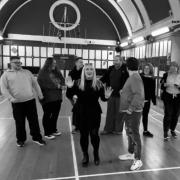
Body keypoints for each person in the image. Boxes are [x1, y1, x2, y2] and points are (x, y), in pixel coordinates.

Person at [66, 63, 112, 167]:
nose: (89, 70)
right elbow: (69, 95)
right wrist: (69, 87)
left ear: (94, 71)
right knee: (84, 135)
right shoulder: (77, 83)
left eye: (91, 69)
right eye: (87, 69)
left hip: (94, 112)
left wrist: (107, 96)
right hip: (81, 112)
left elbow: (103, 98)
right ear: (84, 71)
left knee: (94, 135)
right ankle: (85, 155)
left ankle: (96, 154)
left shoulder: (99, 83)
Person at [0, 56, 46, 147]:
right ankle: (21, 139)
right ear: (11, 63)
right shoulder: (6, 75)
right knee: (19, 122)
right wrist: (10, 98)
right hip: (17, 104)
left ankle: (37, 137)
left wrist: (40, 94)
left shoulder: (27, 72)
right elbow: (3, 88)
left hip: (30, 101)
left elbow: (35, 84)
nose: (18, 64)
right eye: (15, 62)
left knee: (34, 121)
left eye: (19, 62)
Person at [118, 57, 144, 171]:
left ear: (127, 66)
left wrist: (131, 108)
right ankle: (131, 153)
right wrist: (123, 92)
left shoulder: (134, 77)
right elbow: (133, 92)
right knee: (129, 133)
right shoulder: (133, 77)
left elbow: (138, 95)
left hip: (132, 111)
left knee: (134, 134)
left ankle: (138, 160)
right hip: (129, 110)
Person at [100, 55, 129, 135]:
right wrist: (97, 82)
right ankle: (108, 129)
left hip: (121, 95)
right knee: (110, 112)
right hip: (111, 94)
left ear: (121, 61)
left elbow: (128, 82)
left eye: (117, 60)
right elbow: (104, 78)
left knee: (119, 113)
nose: (115, 62)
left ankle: (118, 130)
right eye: (114, 60)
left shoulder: (125, 70)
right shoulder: (110, 68)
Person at [37, 57, 65, 140]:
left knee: (55, 115)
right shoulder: (42, 73)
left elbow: (62, 79)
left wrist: (63, 85)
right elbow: (43, 85)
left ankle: (53, 130)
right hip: (47, 98)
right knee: (47, 115)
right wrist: (58, 86)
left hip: (57, 97)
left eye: (55, 63)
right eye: (53, 63)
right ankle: (47, 132)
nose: (54, 65)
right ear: (48, 63)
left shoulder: (57, 71)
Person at [160, 62, 180, 141]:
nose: (173, 68)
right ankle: (165, 131)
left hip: (178, 98)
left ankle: (172, 130)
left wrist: (179, 87)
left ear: (177, 68)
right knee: (168, 114)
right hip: (168, 97)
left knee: (176, 115)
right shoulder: (166, 75)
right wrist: (164, 85)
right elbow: (162, 84)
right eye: (171, 66)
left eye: (174, 66)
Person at [68, 57, 83, 134]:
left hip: (82, 94)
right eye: (80, 62)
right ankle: (77, 127)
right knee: (76, 110)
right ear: (76, 63)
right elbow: (70, 85)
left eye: (82, 62)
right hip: (73, 95)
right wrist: (73, 95)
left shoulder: (84, 71)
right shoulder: (71, 72)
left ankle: (81, 126)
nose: (82, 63)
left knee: (82, 110)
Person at [140, 63, 156, 137]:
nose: (146, 70)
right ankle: (132, 130)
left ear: (150, 70)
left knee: (145, 116)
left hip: (147, 100)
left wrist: (154, 100)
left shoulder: (152, 79)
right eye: (145, 68)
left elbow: (153, 91)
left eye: (148, 68)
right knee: (136, 116)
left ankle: (145, 131)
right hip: (138, 100)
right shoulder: (139, 76)